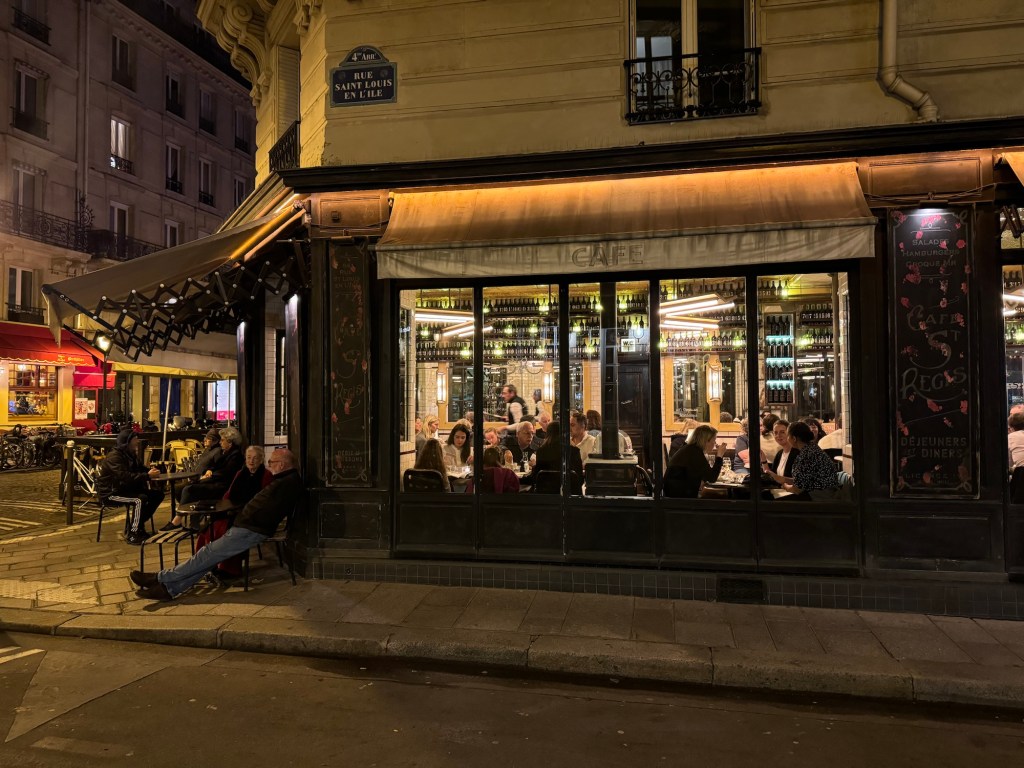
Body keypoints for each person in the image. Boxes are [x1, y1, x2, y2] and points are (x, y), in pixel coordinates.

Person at [130, 448, 302, 601]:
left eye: (271, 462)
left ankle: (159, 578)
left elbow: (263, 511)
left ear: (281, 464)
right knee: (208, 558)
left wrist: (240, 520)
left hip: (251, 529)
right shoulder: (284, 480)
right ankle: (168, 590)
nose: (269, 464)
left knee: (206, 554)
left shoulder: (284, 483)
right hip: (249, 526)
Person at [194, 445, 274, 579]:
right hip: (232, 510)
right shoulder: (240, 473)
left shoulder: (266, 475)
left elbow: (264, 500)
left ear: (261, 459)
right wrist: (224, 506)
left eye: (255, 458)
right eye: (249, 457)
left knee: (226, 531)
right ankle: (205, 564)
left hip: (250, 514)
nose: (251, 461)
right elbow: (228, 494)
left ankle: (229, 569)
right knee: (209, 529)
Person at [96, 428, 164, 545]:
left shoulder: (130, 454)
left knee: (157, 495)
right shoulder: (114, 457)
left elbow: (140, 469)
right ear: (127, 442)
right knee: (139, 500)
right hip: (111, 493)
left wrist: (151, 471)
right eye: (135, 439)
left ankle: (138, 525)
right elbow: (125, 476)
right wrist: (147, 475)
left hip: (125, 489)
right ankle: (133, 534)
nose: (137, 442)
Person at [178, 426, 244, 509]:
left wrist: (209, 476)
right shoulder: (226, 453)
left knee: (188, 489)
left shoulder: (236, 456)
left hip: (221, 487)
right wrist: (209, 470)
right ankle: (192, 512)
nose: (220, 442)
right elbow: (215, 466)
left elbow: (225, 473)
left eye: (222, 440)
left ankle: (181, 515)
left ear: (230, 442)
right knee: (179, 489)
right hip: (213, 481)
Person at [663, 424, 727, 498]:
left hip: (675, 494)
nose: (715, 444)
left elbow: (702, 473)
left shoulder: (690, 449)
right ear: (706, 441)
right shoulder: (694, 452)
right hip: (679, 498)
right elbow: (712, 478)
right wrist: (719, 456)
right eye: (714, 440)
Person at [781, 422, 840, 499]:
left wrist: (785, 486)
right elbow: (803, 480)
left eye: (788, 435)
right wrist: (784, 480)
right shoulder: (813, 448)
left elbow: (797, 489)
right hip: (828, 493)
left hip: (819, 498)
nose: (787, 438)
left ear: (794, 438)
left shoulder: (805, 455)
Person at [524, 421, 583, 493]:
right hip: (570, 493)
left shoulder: (542, 451)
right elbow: (580, 479)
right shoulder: (574, 451)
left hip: (547, 494)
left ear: (548, 434)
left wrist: (534, 467)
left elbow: (536, 478)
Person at [763, 419, 800, 485]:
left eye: (782, 432)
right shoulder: (779, 454)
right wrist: (763, 460)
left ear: (790, 433)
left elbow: (800, 481)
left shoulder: (798, 453)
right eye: (775, 433)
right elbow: (773, 477)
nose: (778, 435)